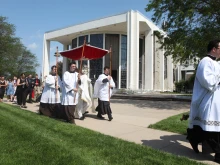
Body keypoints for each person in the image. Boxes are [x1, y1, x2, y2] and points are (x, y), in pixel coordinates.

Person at [187, 39, 220, 163]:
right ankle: (218, 154)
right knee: (212, 130)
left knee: (209, 129)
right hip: (207, 101)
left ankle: (193, 139)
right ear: (214, 49)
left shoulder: (216, 63)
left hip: (215, 100)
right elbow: (207, 81)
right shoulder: (205, 62)